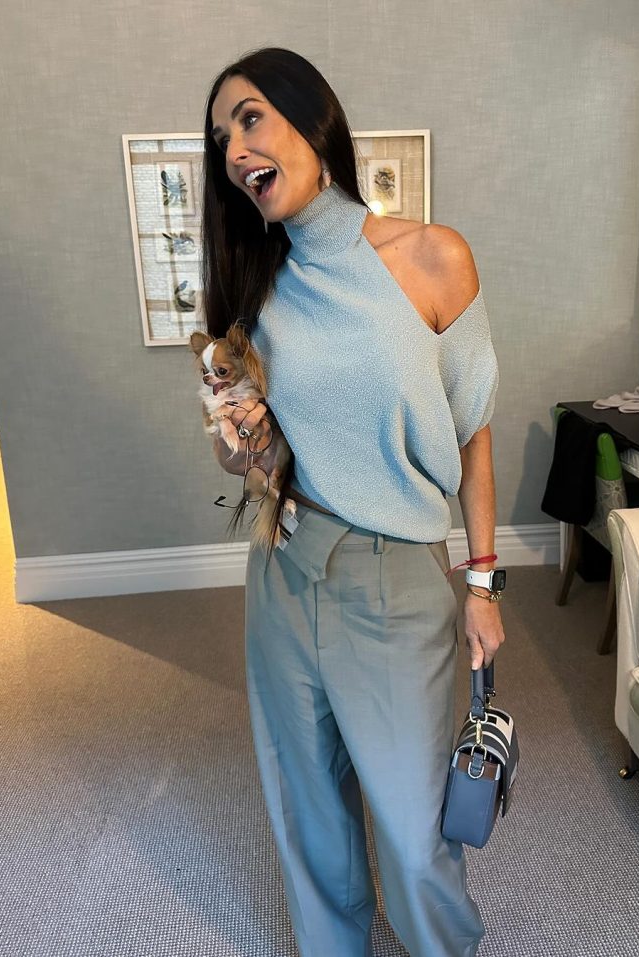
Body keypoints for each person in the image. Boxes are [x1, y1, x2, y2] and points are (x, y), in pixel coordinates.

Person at [201, 46, 505, 957]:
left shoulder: (434, 256)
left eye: (249, 117)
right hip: (284, 564)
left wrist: (483, 582)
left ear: (312, 117)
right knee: (308, 810)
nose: (234, 150)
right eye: (220, 139)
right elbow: (251, 458)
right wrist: (241, 441)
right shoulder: (257, 288)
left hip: (394, 576)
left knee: (413, 833)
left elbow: (474, 432)